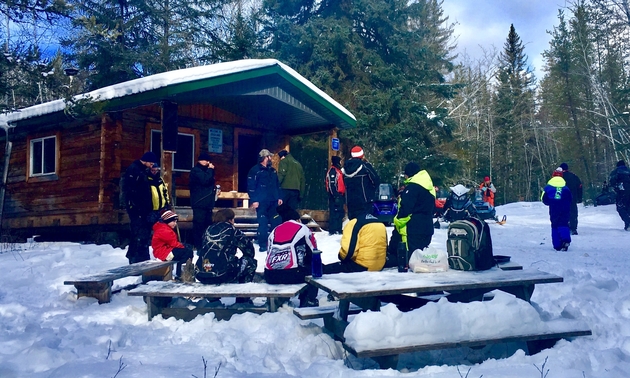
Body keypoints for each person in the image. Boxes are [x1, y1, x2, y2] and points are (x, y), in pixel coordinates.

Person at [195, 209, 257, 305]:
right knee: (250, 262)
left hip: (202, 273)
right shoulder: (232, 230)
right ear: (230, 220)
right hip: (222, 273)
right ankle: (242, 300)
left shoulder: (208, 229)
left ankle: (213, 301)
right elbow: (249, 250)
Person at [265, 204, 319, 307]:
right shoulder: (303, 229)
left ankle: (281, 300)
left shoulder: (274, 231)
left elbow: (269, 252)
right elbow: (314, 252)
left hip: (270, 275)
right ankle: (308, 299)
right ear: (297, 219)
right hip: (292, 274)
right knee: (314, 267)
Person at [121, 151, 158, 264]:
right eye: (151, 163)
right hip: (136, 208)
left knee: (144, 233)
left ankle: (141, 257)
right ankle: (136, 258)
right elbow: (130, 190)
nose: (152, 166)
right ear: (145, 160)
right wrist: (134, 206)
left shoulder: (143, 170)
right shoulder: (134, 170)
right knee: (138, 232)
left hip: (143, 207)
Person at [394, 162, 436, 254]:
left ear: (408, 174)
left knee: (411, 257)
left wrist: (397, 220)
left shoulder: (412, 188)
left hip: (414, 228)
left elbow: (406, 208)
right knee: (421, 257)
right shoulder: (429, 187)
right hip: (427, 226)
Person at [247, 149, 283, 252]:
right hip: (261, 202)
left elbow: (277, 185)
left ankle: (276, 243)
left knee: (276, 221)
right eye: (269, 157)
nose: (271, 159)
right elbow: (251, 186)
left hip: (273, 201)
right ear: (264, 157)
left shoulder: (273, 171)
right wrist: (254, 200)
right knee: (263, 223)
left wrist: (279, 197)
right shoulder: (255, 170)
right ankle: (263, 244)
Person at [151, 210, 194, 281]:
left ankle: (184, 272)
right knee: (186, 253)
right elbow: (173, 243)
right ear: (167, 221)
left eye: (176, 222)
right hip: (163, 253)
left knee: (187, 251)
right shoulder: (164, 230)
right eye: (173, 221)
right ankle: (180, 274)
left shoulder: (165, 228)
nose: (175, 223)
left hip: (165, 251)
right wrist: (183, 246)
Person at [342, 145, 379, 220]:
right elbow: (376, 180)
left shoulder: (344, 169)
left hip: (350, 202)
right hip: (365, 202)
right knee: (365, 226)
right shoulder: (365, 167)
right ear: (362, 155)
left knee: (353, 224)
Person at [189, 152, 216, 250]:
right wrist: (210, 170)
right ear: (200, 160)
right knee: (199, 226)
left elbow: (210, 182)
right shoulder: (196, 171)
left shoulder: (208, 171)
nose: (207, 162)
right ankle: (199, 246)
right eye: (205, 160)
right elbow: (204, 180)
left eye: (208, 161)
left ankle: (206, 245)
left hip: (208, 203)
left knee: (208, 226)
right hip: (199, 203)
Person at [541, 168, 572, 251]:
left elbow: (544, 199)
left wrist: (551, 202)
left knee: (555, 225)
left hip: (554, 208)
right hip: (565, 207)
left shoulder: (548, 187)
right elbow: (570, 198)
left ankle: (557, 245)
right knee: (564, 223)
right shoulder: (566, 188)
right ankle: (565, 240)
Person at [559, 163, 583, 235]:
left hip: (562, 198)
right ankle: (573, 228)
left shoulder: (559, 177)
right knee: (573, 212)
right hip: (572, 198)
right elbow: (580, 186)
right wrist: (579, 197)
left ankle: (565, 227)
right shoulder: (574, 176)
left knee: (563, 213)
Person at [325, 155, 346, 235]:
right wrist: (335, 195)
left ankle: (338, 228)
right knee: (334, 212)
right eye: (340, 161)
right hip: (335, 196)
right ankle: (333, 230)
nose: (341, 163)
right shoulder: (333, 171)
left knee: (340, 212)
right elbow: (332, 184)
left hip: (340, 195)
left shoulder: (339, 170)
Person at [608, 160, 630, 230]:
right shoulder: (628, 170)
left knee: (620, 207)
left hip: (621, 191)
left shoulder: (615, 172)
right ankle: (627, 224)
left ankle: (628, 222)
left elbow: (612, 182)